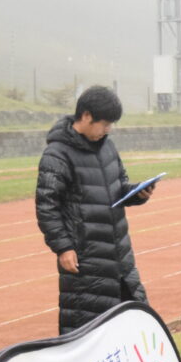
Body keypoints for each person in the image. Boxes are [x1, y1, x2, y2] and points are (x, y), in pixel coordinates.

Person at [35, 85, 155, 335]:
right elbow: (47, 206)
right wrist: (63, 247)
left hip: (120, 258)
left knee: (135, 321)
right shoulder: (57, 155)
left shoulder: (107, 147)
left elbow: (119, 187)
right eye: (105, 124)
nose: (107, 129)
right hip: (85, 261)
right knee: (88, 330)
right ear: (87, 116)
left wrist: (137, 193)